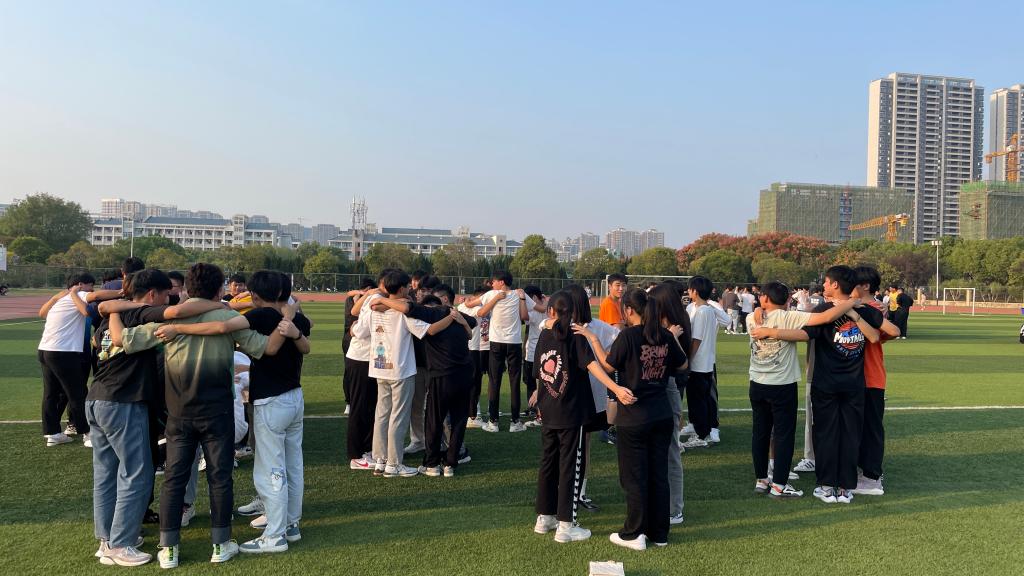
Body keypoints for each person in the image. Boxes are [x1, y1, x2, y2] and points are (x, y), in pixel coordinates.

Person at [116, 263, 289, 568]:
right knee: (220, 478)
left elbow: (121, 340)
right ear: (219, 289)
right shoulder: (227, 318)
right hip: (217, 411)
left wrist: (111, 309)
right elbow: (266, 348)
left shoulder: (171, 317)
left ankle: (169, 548)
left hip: (179, 413)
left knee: (174, 479)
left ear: (186, 288)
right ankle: (221, 544)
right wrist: (288, 321)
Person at [155, 271, 312, 553]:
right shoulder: (295, 318)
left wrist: (179, 329)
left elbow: (220, 327)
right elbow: (305, 343)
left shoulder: (261, 315)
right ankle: (291, 524)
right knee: (293, 464)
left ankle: (275, 535)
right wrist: (291, 318)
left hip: (270, 401)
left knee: (270, 468)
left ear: (256, 295)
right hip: (294, 398)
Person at [759, 266, 882, 505]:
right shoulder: (858, 309)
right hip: (852, 385)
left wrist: (770, 332)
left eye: (826, 281)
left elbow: (805, 335)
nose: (824, 285)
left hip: (827, 384)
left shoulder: (828, 310)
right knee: (848, 434)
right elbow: (878, 333)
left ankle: (828, 486)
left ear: (835, 284)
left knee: (827, 434)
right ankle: (844, 488)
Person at [583, 288, 687, 551]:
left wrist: (593, 339)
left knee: (634, 477)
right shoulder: (663, 334)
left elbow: (608, 365)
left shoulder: (629, 336)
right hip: (661, 414)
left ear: (629, 310)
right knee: (658, 474)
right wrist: (672, 338)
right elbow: (683, 364)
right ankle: (659, 533)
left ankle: (634, 533)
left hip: (635, 416)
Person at [532, 291, 635, 544]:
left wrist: (539, 398)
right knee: (570, 466)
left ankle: (545, 517)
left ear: (551, 312)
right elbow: (593, 367)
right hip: (570, 412)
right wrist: (616, 388)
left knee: (548, 463)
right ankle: (566, 525)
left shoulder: (544, 334)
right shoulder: (575, 336)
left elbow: (539, 373)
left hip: (549, 409)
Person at [746, 281, 862, 498]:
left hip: (757, 383)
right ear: (787, 300)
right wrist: (852, 302)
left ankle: (761, 480)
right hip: (782, 385)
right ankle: (779, 485)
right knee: (784, 435)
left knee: (760, 432)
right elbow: (825, 318)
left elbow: (762, 310)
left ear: (764, 298)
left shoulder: (752, 317)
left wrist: (760, 309)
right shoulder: (789, 317)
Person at [371, 287, 475, 476]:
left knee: (434, 420)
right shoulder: (456, 315)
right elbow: (471, 327)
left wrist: (383, 301)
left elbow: (409, 310)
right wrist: (458, 320)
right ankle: (450, 464)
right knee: (458, 420)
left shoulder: (429, 314)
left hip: (441, 376)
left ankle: (432, 464)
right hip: (465, 374)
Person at [352, 270, 436, 478]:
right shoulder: (402, 312)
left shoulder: (374, 308)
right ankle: (394, 463)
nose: (409, 290)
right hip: (400, 370)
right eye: (407, 287)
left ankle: (380, 460)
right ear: (402, 289)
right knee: (398, 417)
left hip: (380, 367)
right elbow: (427, 330)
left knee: (382, 415)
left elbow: (360, 330)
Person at [37, 274, 121, 447]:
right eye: (90, 285)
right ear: (80, 284)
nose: (92, 289)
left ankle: (53, 433)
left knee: (51, 393)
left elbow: (42, 313)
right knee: (77, 393)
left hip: (45, 350)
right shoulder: (78, 294)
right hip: (63, 352)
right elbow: (94, 299)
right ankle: (87, 433)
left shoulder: (61, 300)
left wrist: (55, 298)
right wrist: (122, 292)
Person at [852, 267, 900, 496]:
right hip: (854, 377)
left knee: (870, 429)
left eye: (852, 283)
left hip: (869, 377)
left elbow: (889, 333)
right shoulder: (859, 307)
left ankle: (872, 477)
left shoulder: (873, 310)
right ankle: (865, 471)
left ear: (865, 286)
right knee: (858, 429)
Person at [647, 283, 692, 526]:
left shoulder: (677, 326)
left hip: (669, 385)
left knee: (671, 450)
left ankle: (675, 508)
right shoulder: (659, 326)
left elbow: (681, 363)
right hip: (653, 387)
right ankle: (657, 502)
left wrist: (671, 337)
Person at [465, 271, 530, 432]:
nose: (492, 284)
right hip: (514, 343)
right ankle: (515, 422)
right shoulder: (519, 294)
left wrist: (467, 301)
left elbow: (474, 308)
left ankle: (493, 422)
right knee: (514, 382)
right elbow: (530, 313)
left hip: (496, 343)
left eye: (494, 281)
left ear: (501, 282)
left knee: (494, 381)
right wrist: (523, 298)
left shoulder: (491, 294)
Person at [681, 276, 719, 449]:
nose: (688, 292)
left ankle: (701, 434)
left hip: (699, 363)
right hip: (704, 363)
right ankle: (702, 430)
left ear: (695, 291)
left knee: (698, 400)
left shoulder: (703, 311)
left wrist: (688, 361)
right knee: (699, 399)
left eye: (690, 289)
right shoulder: (705, 309)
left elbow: (696, 340)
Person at [458, 286, 489, 428]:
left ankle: (466, 414)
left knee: (464, 384)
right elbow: (482, 311)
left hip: (462, 350)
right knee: (474, 385)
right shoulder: (476, 309)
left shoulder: (461, 307)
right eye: (485, 297)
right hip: (473, 351)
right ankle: (472, 417)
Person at [522, 285, 548, 421]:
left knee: (532, 384)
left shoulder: (533, 312)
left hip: (533, 353)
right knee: (543, 383)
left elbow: (523, 316)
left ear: (533, 298)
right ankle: (538, 410)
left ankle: (535, 411)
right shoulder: (550, 308)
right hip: (545, 353)